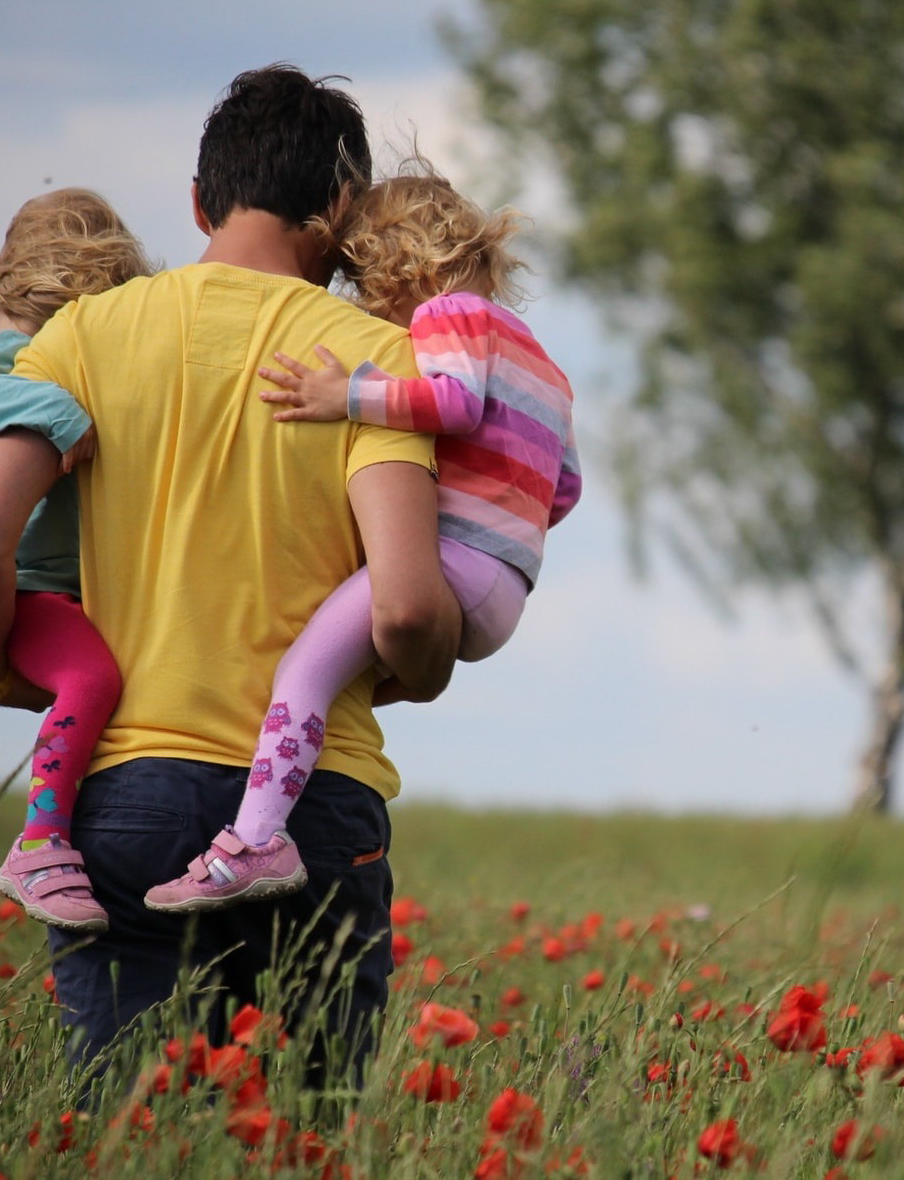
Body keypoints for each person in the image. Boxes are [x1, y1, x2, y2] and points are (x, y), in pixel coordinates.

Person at [0, 64, 460, 1066]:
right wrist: (424, 668)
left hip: (124, 792)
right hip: (314, 804)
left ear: (197, 201)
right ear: (342, 207)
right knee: (307, 1133)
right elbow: (403, 610)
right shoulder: (373, 362)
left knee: (134, 1134)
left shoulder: (80, 337)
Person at [144, 169, 581, 912]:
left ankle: (255, 840)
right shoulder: (545, 363)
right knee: (342, 674)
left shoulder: (449, 315)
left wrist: (343, 395)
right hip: (508, 585)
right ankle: (277, 807)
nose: (370, 307)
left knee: (303, 673)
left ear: (398, 267)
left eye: (365, 284)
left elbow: (453, 402)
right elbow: (563, 488)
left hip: (454, 564)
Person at [0, 188, 153, 933]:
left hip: (61, 590)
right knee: (93, 678)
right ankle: (41, 841)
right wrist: (61, 412)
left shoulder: (39, 355)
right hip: (25, 589)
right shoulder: (3, 364)